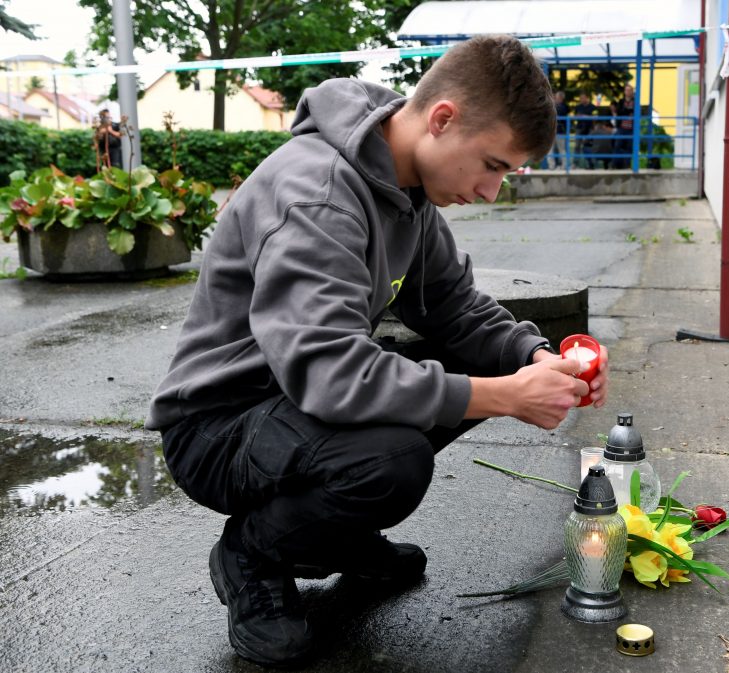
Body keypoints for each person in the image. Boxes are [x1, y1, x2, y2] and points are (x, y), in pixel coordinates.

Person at [145, 35, 610, 668]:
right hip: (219, 424)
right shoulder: (318, 193)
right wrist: (500, 397)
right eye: (493, 165)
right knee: (391, 459)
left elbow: (456, 307)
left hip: (292, 405)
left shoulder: (407, 190)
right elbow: (331, 373)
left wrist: (535, 359)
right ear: (442, 119)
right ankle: (253, 554)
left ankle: (333, 536)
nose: (491, 191)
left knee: (463, 376)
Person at [610, 83, 635, 169]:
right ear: (624, 92)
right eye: (626, 90)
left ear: (632, 92)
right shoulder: (621, 101)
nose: (627, 92)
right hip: (621, 128)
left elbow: (636, 112)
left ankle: (627, 165)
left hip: (631, 129)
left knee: (629, 148)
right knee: (617, 146)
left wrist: (626, 111)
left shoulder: (635, 101)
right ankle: (614, 165)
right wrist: (628, 112)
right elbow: (619, 112)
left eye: (629, 90)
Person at [572, 91, 597, 169]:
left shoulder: (593, 107)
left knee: (588, 147)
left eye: (583, 98)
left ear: (587, 98)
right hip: (579, 128)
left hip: (589, 129)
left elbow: (596, 117)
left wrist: (585, 116)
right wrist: (578, 116)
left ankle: (590, 164)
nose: (581, 99)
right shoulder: (578, 107)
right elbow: (575, 116)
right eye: (580, 98)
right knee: (577, 146)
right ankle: (575, 164)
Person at [549, 90, 569, 168]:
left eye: (556, 97)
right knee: (551, 150)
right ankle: (552, 166)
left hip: (559, 131)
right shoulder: (556, 106)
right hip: (553, 131)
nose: (554, 98)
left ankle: (563, 166)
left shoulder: (562, 107)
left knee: (561, 150)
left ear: (560, 98)